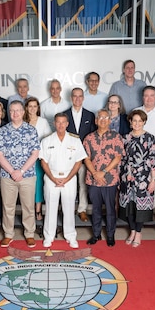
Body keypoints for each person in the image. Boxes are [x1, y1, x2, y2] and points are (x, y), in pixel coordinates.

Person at [0, 100, 40, 249]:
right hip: (7, 176)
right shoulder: (3, 130)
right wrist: (12, 171)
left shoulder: (31, 130)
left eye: (18, 110)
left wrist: (21, 171)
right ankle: (8, 234)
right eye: (12, 110)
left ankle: (29, 234)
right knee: (8, 206)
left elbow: (35, 154)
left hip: (27, 175)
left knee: (28, 206)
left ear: (23, 111)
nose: (15, 113)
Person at [40, 113, 87, 249]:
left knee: (69, 207)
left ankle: (71, 236)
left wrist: (67, 178)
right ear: (54, 124)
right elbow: (44, 162)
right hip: (51, 177)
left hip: (69, 177)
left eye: (63, 122)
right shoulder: (47, 140)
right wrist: (53, 178)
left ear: (67, 124)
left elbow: (79, 161)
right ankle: (48, 236)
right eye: (58, 122)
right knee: (50, 208)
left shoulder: (75, 140)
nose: (60, 125)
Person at [83, 109, 125, 247]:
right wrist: (95, 173)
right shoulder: (89, 138)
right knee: (95, 209)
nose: (102, 120)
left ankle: (111, 235)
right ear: (96, 121)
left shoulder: (116, 137)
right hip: (93, 179)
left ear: (110, 120)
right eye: (100, 117)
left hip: (110, 179)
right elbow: (86, 158)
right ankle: (96, 235)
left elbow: (118, 157)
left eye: (105, 117)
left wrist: (104, 172)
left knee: (110, 209)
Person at [119, 110, 155, 248]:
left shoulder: (150, 138)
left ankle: (139, 232)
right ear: (130, 122)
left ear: (144, 122)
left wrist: (153, 180)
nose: (137, 123)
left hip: (144, 178)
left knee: (140, 206)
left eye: (140, 121)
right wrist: (120, 178)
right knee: (129, 205)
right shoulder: (125, 138)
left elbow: (153, 161)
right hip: (127, 176)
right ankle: (132, 230)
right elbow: (121, 159)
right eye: (134, 120)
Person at [64, 88, 96, 222]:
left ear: (83, 98)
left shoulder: (90, 115)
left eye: (80, 96)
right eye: (75, 96)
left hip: (84, 157)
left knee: (83, 184)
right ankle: (68, 209)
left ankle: (82, 209)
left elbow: (93, 137)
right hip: (67, 157)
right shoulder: (64, 115)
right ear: (71, 98)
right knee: (68, 185)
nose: (77, 99)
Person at [24, 97, 52, 221]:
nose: (32, 109)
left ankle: (38, 210)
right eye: (30, 106)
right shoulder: (22, 121)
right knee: (27, 185)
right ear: (26, 108)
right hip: (25, 159)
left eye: (35, 106)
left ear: (38, 108)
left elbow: (49, 139)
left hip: (39, 158)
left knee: (38, 184)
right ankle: (28, 211)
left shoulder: (43, 122)